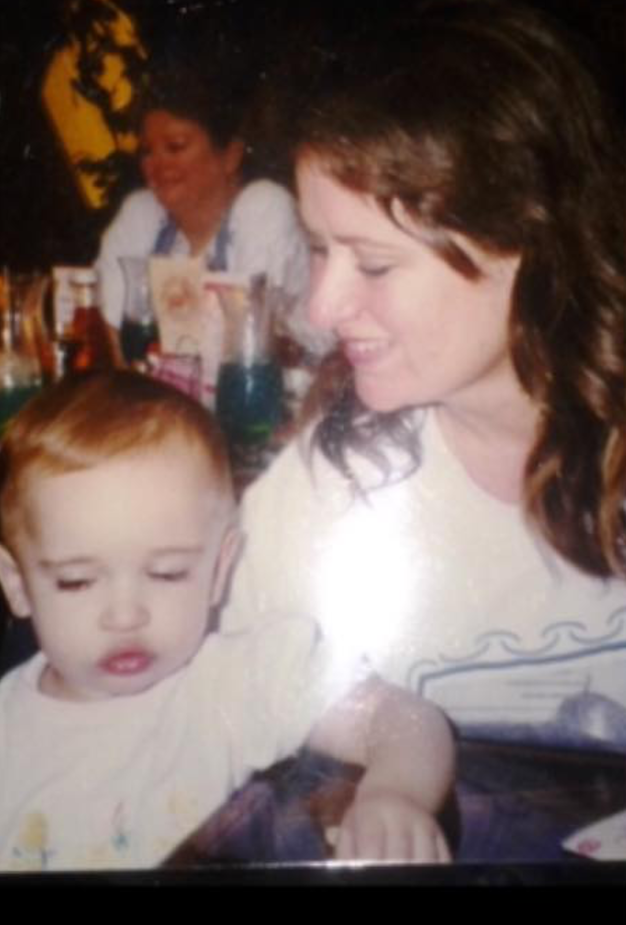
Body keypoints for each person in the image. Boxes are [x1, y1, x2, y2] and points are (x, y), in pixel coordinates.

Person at [222, 0, 626, 751]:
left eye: (375, 263)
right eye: (319, 248)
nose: (322, 307)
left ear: (528, 245)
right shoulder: (325, 489)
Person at [0, 371, 453, 871]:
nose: (125, 615)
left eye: (168, 573)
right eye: (78, 581)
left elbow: (403, 719)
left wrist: (397, 794)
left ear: (219, 569)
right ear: (17, 584)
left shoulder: (235, 683)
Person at [95, 61, 314, 344]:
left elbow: (248, 339)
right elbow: (109, 328)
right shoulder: (141, 214)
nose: (157, 164)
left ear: (231, 155)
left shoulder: (263, 207)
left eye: (176, 146)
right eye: (147, 151)